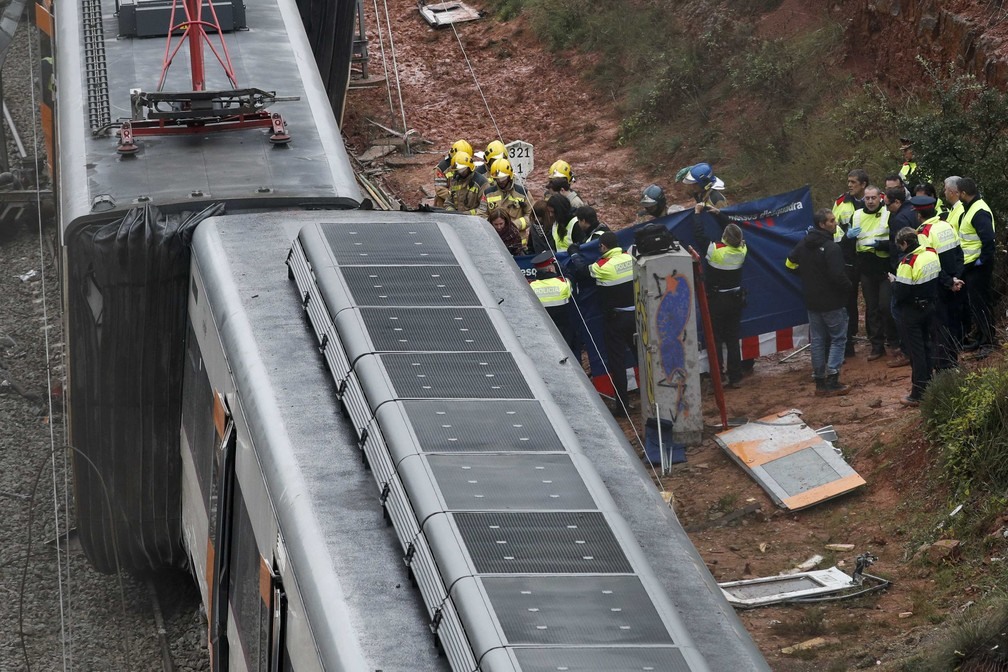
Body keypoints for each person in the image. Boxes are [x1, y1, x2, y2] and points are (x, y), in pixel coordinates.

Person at [785, 209, 851, 396]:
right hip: (832, 302)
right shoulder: (832, 248)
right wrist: (849, 286)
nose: (836, 223)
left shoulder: (803, 244)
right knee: (838, 339)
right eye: (831, 221)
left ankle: (819, 382)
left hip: (812, 301)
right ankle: (833, 378)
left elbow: (789, 264)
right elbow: (838, 276)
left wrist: (805, 275)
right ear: (822, 225)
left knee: (818, 340)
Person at [568, 231, 636, 409]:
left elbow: (582, 270)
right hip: (638, 316)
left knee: (617, 362)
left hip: (615, 320)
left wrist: (574, 253)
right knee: (643, 358)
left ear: (603, 247)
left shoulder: (602, 265)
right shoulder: (631, 258)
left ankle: (622, 406)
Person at [694, 203, 747, 388]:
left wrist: (697, 214)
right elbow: (736, 231)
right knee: (732, 339)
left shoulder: (715, 250)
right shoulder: (742, 250)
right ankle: (736, 377)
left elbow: (699, 235)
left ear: (724, 237)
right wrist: (720, 214)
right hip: (735, 299)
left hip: (716, 300)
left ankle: (719, 376)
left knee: (715, 338)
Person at [911, 195, 964, 370]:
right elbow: (959, 253)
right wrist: (956, 278)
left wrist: (948, 282)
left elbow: (932, 263)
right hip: (956, 283)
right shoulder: (947, 225)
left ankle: (943, 366)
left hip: (939, 286)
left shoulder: (924, 233)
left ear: (919, 215)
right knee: (953, 322)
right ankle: (953, 361)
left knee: (939, 327)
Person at [889, 227, 941, 406]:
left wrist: (893, 282)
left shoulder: (907, 263)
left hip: (911, 312)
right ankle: (931, 385)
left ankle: (918, 393)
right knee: (928, 347)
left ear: (904, 243)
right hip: (930, 307)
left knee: (916, 352)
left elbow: (901, 293)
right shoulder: (931, 252)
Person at [852, 186, 898, 361]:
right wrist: (849, 237)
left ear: (880, 197)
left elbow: (895, 241)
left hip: (884, 265)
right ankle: (877, 346)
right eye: (867, 198)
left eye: (873, 198)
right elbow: (851, 242)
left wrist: (881, 245)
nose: (870, 201)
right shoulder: (856, 215)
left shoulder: (888, 213)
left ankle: (894, 342)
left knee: (886, 306)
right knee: (872, 309)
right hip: (866, 267)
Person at [957, 177, 997, 356]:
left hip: (978, 267)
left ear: (964, 193)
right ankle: (981, 337)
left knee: (982, 304)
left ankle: (988, 341)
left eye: (958, 192)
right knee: (976, 303)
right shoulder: (971, 208)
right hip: (971, 265)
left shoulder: (979, 211)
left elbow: (989, 240)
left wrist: (981, 260)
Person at [833, 169, 869, 356]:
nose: (849, 185)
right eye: (848, 181)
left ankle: (875, 340)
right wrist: (845, 239)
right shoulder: (841, 202)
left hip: (868, 257)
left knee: (872, 301)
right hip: (848, 259)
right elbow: (834, 229)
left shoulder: (873, 200)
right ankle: (849, 343)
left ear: (863, 184)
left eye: (853, 182)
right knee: (849, 301)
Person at [884, 186, 918, 368]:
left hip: (904, 267)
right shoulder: (912, 210)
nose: (886, 208)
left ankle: (906, 351)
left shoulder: (899, 219)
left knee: (899, 310)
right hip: (917, 265)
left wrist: (898, 268)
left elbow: (901, 246)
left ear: (897, 202)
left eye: (888, 204)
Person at [528, 251, 575, 350]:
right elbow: (569, 275)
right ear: (550, 268)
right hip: (563, 331)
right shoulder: (563, 283)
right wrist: (558, 265)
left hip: (542, 331)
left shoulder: (530, 286)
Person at [482, 158, 533, 244]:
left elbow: (531, 216)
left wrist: (514, 225)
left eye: (503, 178)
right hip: (494, 241)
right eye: (497, 179)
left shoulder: (522, 193)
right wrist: (493, 225)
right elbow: (481, 214)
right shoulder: (488, 193)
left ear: (510, 176)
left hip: (518, 242)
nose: (500, 181)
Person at [444, 151, 488, 217]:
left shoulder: (481, 182)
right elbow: (448, 203)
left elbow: (483, 210)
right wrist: (452, 212)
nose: (462, 172)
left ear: (469, 167)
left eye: (463, 169)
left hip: (475, 220)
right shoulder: (455, 181)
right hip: (457, 218)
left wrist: (467, 214)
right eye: (459, 170)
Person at [433, 139, 472, 207]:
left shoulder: (468, 165)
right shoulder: (441, 168)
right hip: (445, 203)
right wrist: (455, 197)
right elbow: (440, 189)